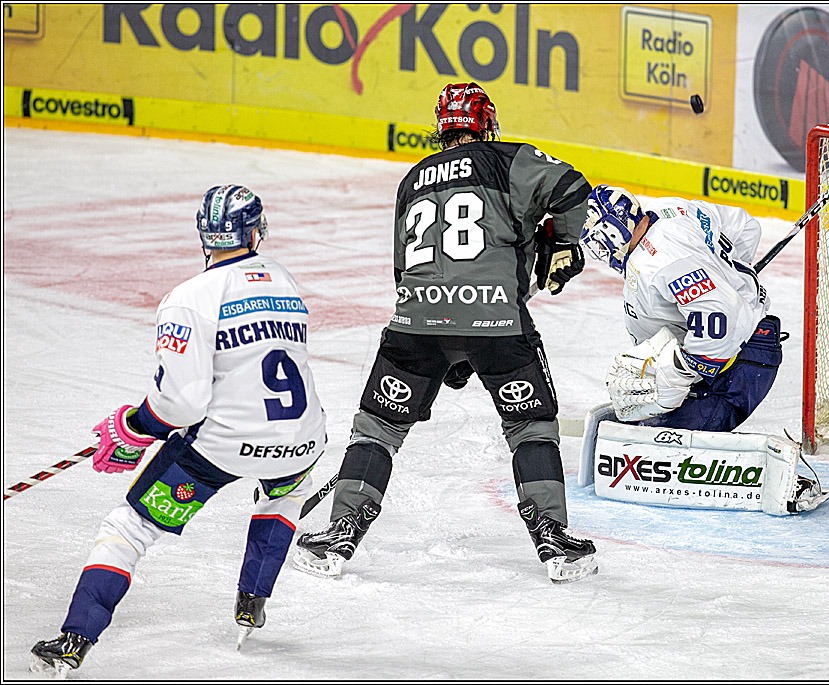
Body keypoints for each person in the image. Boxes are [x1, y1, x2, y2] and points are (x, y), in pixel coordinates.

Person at [293, 82, 597, 584]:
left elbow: (402, 269)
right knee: (530, 427)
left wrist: (445, 347)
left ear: (442, 128)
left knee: (377, 428)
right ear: (487, 123)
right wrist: (561, 242)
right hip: (497, 323)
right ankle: (553, 538)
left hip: (416, 323)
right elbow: (572, 188)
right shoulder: (508, 159)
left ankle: (340, 532)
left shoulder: (412, 179)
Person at [31, 185, 328, 676]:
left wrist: (133, 426)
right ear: (255, 232)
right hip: (301, 441)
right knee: (285, 494)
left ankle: (74, 640)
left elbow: (181, 404)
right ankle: (251, 603)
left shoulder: (189, 299)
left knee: (130, 527)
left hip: (220, 450)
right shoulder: (283, 278)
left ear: (204, 234)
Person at [580, 185, 784, 430]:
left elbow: (718, 319)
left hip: (731, 365)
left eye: (598, 243)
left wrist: (678, 372)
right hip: (735, 352)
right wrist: (729, 279)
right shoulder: (670, 208)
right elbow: (745, 227)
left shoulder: (659, 263)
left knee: (653, 444)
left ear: (614, 230)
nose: (601, 252)